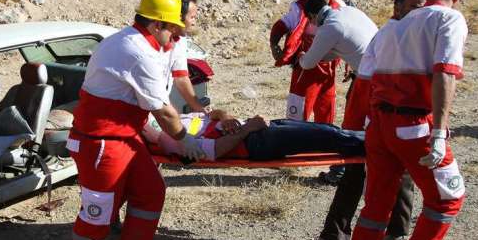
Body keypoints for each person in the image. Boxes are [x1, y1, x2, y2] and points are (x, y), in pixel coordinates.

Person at [64, 0, 206, 240]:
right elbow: (165, 111)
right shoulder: (138, 52)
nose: (176, 34)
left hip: (125, 136)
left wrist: (156, 136)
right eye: (172, 27)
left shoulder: (134, 42)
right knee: (97, 213)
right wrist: (185, 140)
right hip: (102, 142)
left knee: (151, 191)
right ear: (157, 25)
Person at [340, 0, 468, 240]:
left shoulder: (390, 29)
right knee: (447, 198)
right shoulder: (449, 20)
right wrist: (438, 133)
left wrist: (358, 130)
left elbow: (363, 84)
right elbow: (445, 74)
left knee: (377, 202)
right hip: (414, 126)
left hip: (379, 126)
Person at [317, 0, 425, 240]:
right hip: (372, 110)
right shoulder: (393, 37)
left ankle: (396, 231)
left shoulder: (410, 36)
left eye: (423, 7)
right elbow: (368, 85)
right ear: (397, 8)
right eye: (413, 7)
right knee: (357, 169)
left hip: (388, 112)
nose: (419, 13)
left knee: (400, 169)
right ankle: (336, 233)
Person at [270, 0, 344, 123]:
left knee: (326, 117)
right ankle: (296, 147)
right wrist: (274, 44)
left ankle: (323, 147)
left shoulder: (340, 7)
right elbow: (280, 25)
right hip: (305, 70)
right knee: (297, 118)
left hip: (328, 72)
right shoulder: (300, 8)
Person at [143, 110, 365, 161]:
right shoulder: (169, 140)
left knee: (326, 129)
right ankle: (373, 144)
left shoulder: (171, 119)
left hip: (253, 130)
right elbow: (214, 151)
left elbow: (211, 114)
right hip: (254, 142)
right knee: (327, 135)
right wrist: (248, 129)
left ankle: (367, 138)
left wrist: (225, 116)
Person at [169, 0, 210, 113]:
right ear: (179, 17)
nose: (193, 22)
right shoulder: (151, 45)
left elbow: (181, 77)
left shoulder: (180, 41)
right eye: (192, 17)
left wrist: (200, 110)